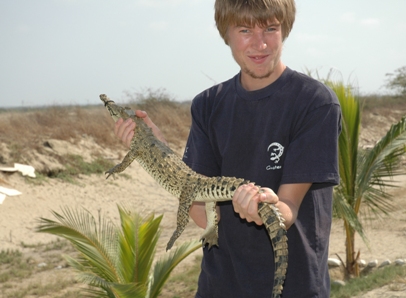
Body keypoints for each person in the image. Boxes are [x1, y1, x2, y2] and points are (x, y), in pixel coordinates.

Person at [114, 0, 341, 297]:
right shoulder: (208, 105)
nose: (259, 44)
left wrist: (267, 205)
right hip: (219, 286)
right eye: (245, 30)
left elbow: (287, 209)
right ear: (226, 34)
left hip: (295, 287)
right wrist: (160, 153)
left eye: (270, 28)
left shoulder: (314, 102)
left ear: (284, 30)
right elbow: (203, 215)